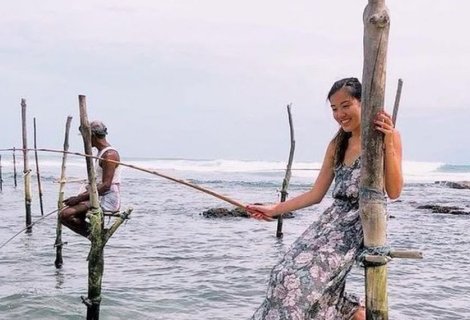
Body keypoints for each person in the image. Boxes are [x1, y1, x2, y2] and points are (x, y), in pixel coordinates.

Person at [246, 77, 403, 320]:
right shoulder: (337, 144)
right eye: (334, 108)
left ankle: (349, 312)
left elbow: (394, 192)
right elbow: (316, 194)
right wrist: (274, 209)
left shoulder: (385, 138)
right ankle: (351, 313)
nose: (340, 114)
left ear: (364, 103)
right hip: (330, 223)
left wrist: (390, 144)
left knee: (297, 281)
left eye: (346, 105)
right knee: (282, 272)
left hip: (359, 224)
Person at [59, 120, 122, 238]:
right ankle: (95, 236)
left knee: (65, 215)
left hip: (107, 198)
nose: (84, 140)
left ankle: (96, 237)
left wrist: (78, 198)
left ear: (91, 135)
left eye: (85, 136)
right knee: (67, 213)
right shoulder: (100, 152)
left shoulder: (109, 155)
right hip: (96, 195)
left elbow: (106, 185)